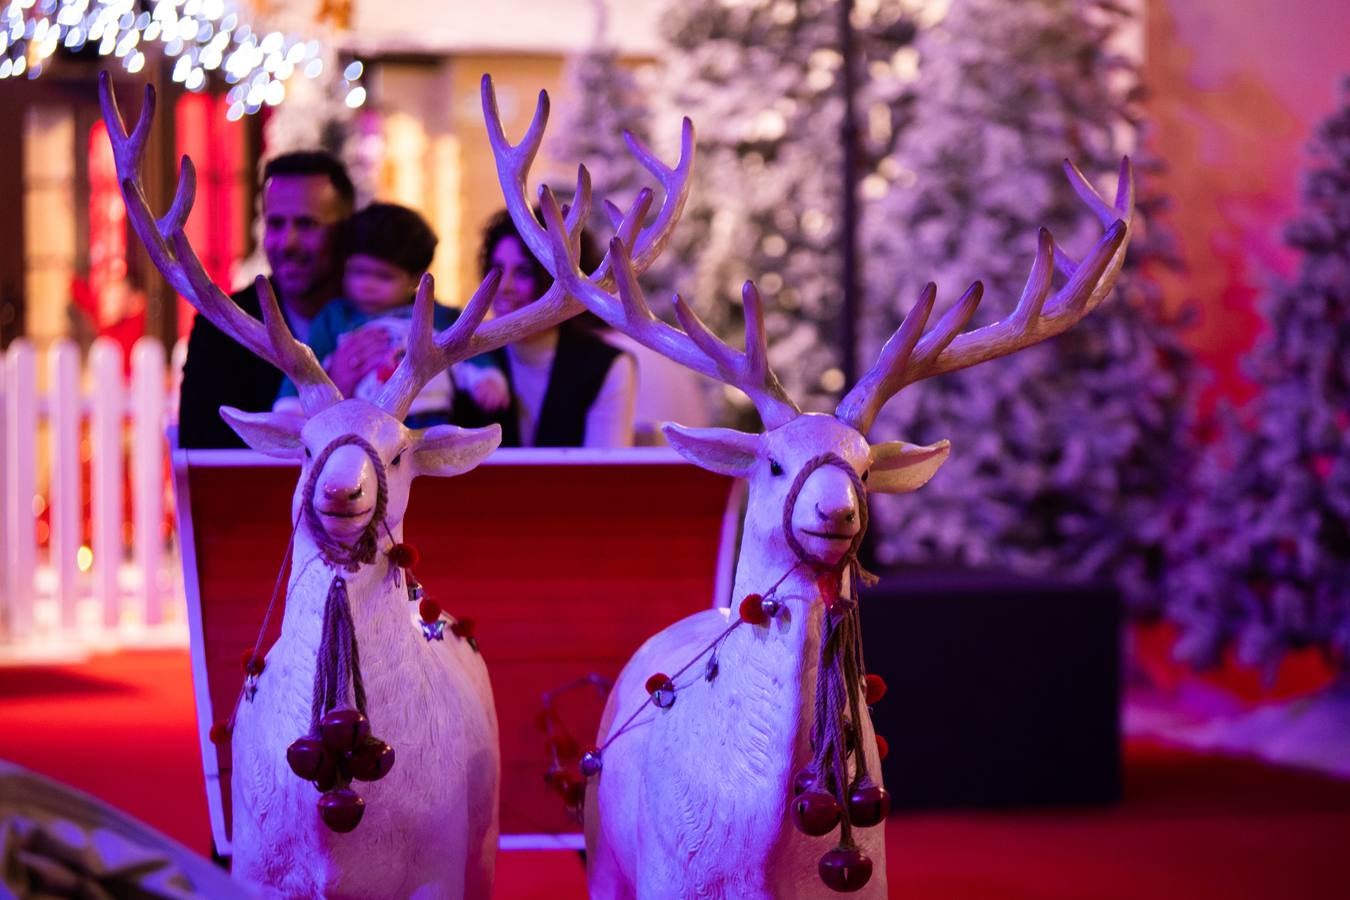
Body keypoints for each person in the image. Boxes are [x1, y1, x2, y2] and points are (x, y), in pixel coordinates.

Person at [273, 202, 508, 427]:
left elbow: (467, 352)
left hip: (428, 420)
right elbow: (304, 367)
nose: (367, 285)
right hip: (360, 423)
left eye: (384, 276)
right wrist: (291, 407)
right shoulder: (336, 318)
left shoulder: (434, 315)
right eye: (358, 271)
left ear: (416, 278)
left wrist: (485, 379)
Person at [177, 151, 353, 448]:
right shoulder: (222, 327)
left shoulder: (387, 318)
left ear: (345, 232)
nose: (288, 243)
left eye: (307, 225)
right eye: (276, 224)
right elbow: (202, 452)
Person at [455, 210, 636, 447]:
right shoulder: (466, 354)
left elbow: (603, 476)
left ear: (561, 280)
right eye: (497, 271)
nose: (505, 287)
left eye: (523, 272)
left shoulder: (606, 367)